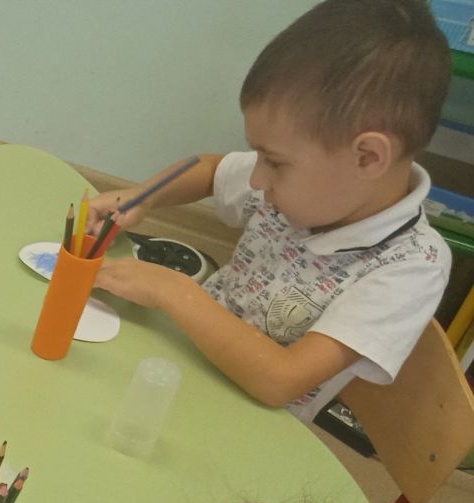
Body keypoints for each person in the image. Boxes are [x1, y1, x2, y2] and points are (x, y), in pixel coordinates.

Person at [86, 0, 450, 422]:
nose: (257, 179)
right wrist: (142, 197)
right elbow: (209, 168)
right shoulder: (308, 185)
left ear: (367, 157)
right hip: (180, 361)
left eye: (274, 161)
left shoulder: (411, 267)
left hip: (242, 426)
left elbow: (282, 380)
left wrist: (173, 291)